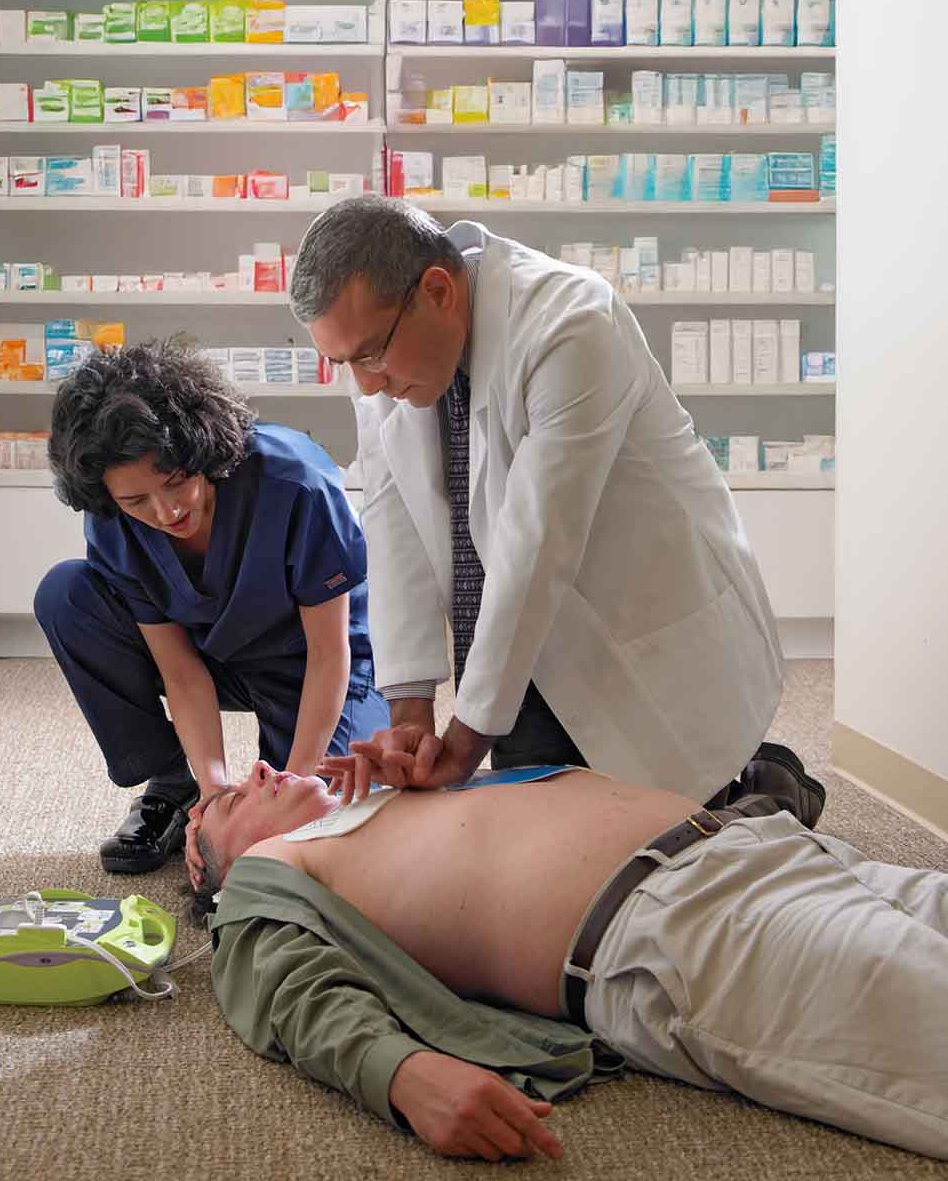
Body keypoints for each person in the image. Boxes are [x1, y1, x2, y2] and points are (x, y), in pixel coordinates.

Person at [190, 761, 948, 1165]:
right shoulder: (271, 868)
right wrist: (400, 1073)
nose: (257, 770)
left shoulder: (393, 799)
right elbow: (289, 986)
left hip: (778, 847)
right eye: (229, 803)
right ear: (209, 869)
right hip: (686, 931)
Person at [289, 196, 787, 805]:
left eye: (368, 356)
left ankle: (773, 781)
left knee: (683, 823)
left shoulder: (571, 322)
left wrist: (465, 742)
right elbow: (394, 526)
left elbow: (537, 543)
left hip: (642, 608)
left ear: (438, 291)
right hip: (521, 631)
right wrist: (411, 712)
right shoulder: (386, 353)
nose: (365, 383)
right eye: (343, 363)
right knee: (542, 820)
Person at [35, 340, 389, 875]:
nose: (167, 510)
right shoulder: (113, 524)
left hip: (313, 664)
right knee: (66, 593)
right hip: (211, 654)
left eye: (176, 481)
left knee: (338, 822)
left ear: (201, 452)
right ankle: (174, 785)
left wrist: (292, 788)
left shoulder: (295, 485)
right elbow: (180, 671)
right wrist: (215, 789)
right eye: (136, 502)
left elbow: (328, 653)